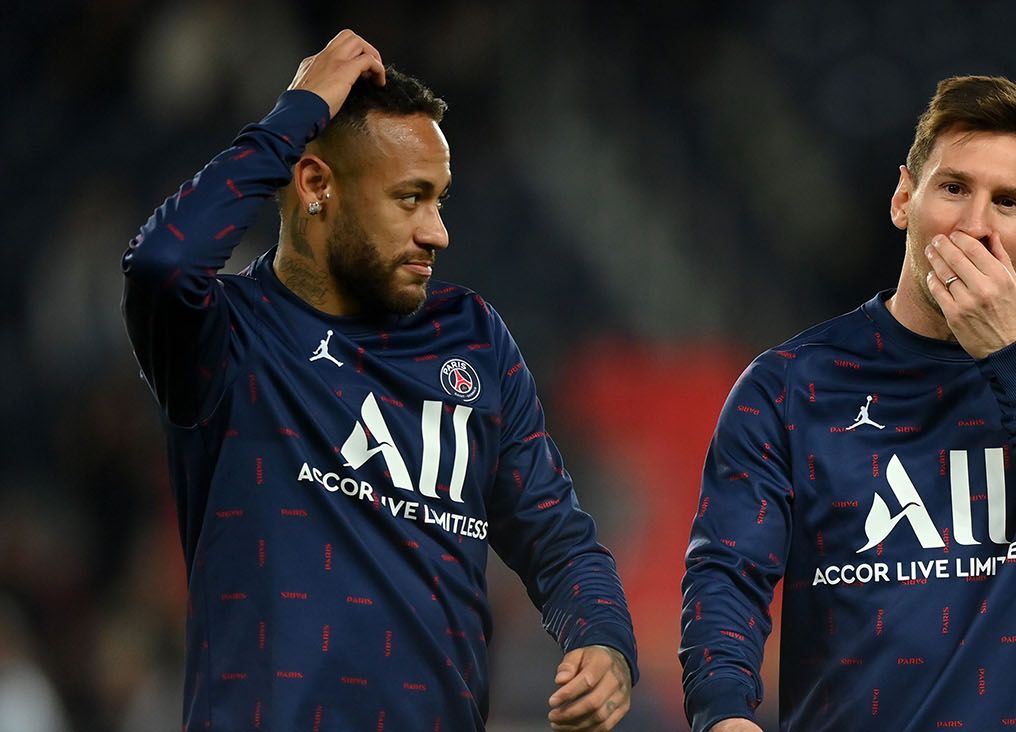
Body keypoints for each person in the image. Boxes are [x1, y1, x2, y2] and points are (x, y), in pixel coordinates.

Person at [121, 30, 635, 732]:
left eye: (440, 200)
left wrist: (604, 641)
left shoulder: (473, 338)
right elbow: (164, 263)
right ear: (315, 185)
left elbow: (560, 541)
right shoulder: (229, 337)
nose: (437, 232)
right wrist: (296, 114)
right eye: (409, 198)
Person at [679, 75, 1016, 731]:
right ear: (904, 199)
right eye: (954, 188)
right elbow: (726, 573)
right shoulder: (789, 385)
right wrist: (723, 715)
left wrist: (1015, 358)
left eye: (1008, 202)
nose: (975, 226)